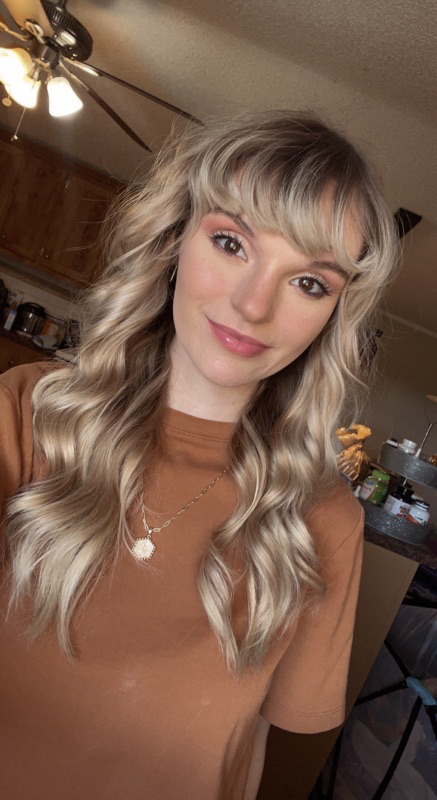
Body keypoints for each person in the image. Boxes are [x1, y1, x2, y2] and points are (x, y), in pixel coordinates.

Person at [0, 110, 397, 800]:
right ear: (174, 239)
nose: (252, 305)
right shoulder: (27, 414)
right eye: (230, 242)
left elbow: (246, 746)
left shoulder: (325, 522)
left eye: (310, 282)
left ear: (334, 316)